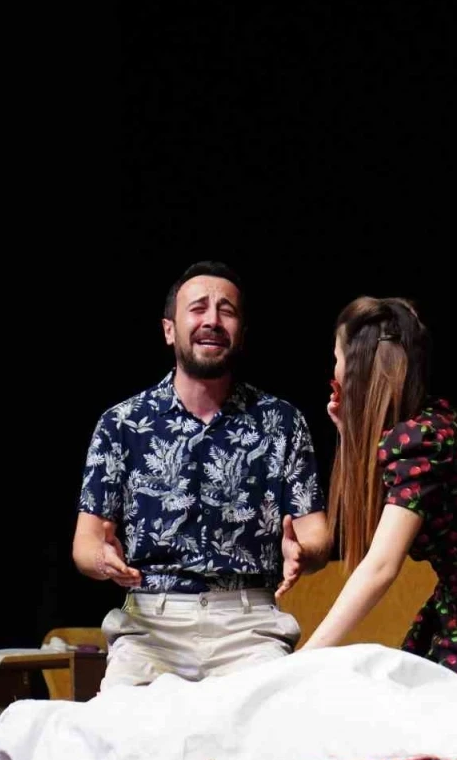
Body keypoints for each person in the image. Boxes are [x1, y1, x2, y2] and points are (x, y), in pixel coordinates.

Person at [72, 261, 332, 689]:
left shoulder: (282, 422)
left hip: (249, 625)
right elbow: (85, 543)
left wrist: (304, 550)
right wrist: (103, 559)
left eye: (226, 310)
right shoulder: (122, 424)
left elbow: (316, 534)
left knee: (266, 723)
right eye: (198, 308)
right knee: (124, 723)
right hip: (150, 625)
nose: (212, 319)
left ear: (241, 332)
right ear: (169, 329)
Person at [298, 296, 457, 695]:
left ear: (357, 368)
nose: (333, 372)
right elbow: (380, 512)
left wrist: (303, 659)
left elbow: (381, 564)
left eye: (336, 359)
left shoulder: (421, 440)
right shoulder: (433, 421)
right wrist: (350, 433)